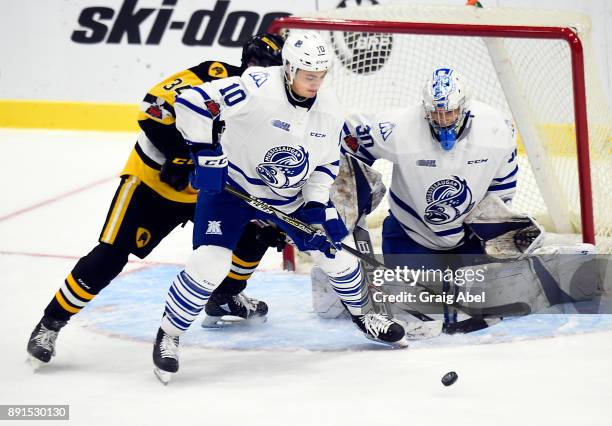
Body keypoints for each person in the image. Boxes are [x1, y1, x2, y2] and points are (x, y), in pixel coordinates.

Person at [152, 31, 409, 383]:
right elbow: (191, 102)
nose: (315, 83)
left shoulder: (329, 106)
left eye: (321, 75)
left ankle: (364, 317)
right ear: (288, 68)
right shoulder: (255, 85)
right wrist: (205, 154)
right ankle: (169, 334)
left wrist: (317, 208)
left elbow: (326, 164)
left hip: (293, 197)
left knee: (338, 255)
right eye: (309, 75)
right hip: (232, 189)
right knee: (210, 264)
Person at [26, 33, 287, 368]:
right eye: (264, 68)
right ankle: (50, 323)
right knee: (111, 255)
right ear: (248, 63)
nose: (268, 77)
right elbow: (153, 109)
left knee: (258, 230)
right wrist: (180, 156)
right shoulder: (214, 76)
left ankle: (225, 297)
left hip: (210, 189)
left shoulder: (275, 107)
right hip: (153, 182)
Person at [341, 67, 518, 325]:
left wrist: (498, 229)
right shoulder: (400, 128)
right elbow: (349, 135)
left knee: (487, 301)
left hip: (468, 237)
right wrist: (349, 186)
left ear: (465, 106)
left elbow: (502, 188)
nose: (443, 119)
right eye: (436, 112)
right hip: (410, 235)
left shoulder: (496, 130)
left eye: (450, 112)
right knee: (422, 310)